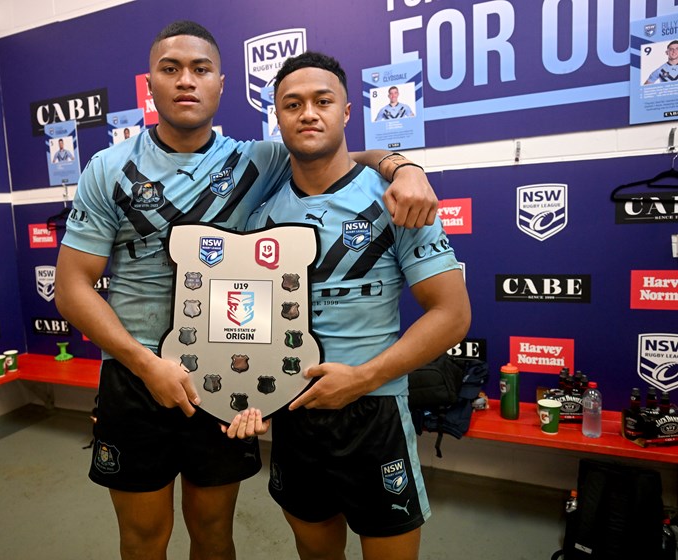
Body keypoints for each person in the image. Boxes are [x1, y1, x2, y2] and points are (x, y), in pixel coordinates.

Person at [55, 21, 439, 560]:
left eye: (200, 69)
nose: (186, 81)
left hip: (218, 374)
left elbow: (339, 156)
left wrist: (405, 165)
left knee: (213, 533)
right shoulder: (108, 168)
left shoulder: (257, 160)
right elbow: (72, 290)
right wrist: (146, 365)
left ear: (221, 84)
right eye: (171, 69)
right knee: (142, 538)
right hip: (136, 377)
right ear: (150, 85)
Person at [231, 51, 471, 560]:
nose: (308, 113)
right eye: (292, 104)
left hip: (374, 412)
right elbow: (249, 324)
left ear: (346, 112)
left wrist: (362, 378)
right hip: (295, 413)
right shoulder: (260, 215)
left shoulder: (399, 198)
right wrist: (245, 394)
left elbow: (452, 315)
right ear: (277, 117)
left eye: (323, 101)